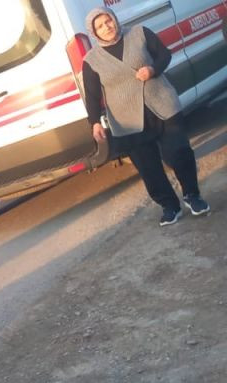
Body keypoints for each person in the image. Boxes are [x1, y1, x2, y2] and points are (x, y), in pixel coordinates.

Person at [82, 7, 210, 227]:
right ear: (94, 32)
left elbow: (164, 55)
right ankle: (169, 206)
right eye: (100, 26)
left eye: (108, 21)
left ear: (114, 19)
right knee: (148, 167)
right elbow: (92, 94)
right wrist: (95, 123)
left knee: (178, 151)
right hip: (127, 120)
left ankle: (192, 195)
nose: (107, 28)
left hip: (162, 105)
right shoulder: (92, 60)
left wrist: (152, 69)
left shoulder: (140, 33)